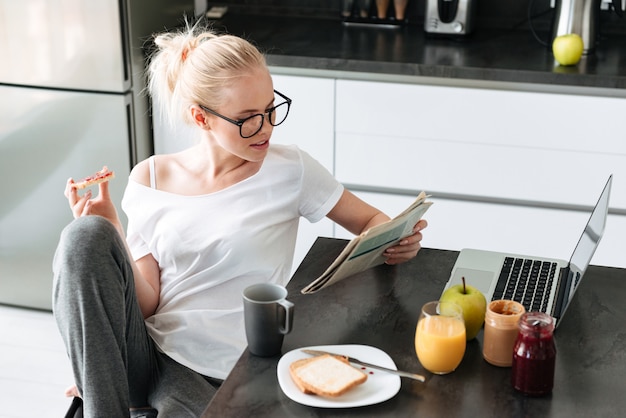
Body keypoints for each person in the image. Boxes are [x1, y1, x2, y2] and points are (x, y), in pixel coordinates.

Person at [52, 20, 427, 417]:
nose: (265, 128)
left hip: (232, 366)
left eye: (270, 109)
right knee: (85, 236)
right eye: (248, 117)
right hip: (152, 353)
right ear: (201, 119)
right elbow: (148, 300)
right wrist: (112, 229)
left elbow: (370, 220)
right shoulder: (150, 177)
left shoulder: (291, 169)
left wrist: (395, 240)